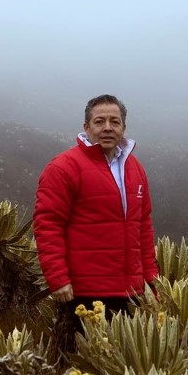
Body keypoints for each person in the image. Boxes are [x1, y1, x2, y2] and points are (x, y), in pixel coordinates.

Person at [34, 95, 158, 348]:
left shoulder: (135, 168)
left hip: (129, 292)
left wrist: (152, 281)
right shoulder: (63, 167)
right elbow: (48, 225)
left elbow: (142, 227)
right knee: (82, 370)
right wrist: (57, 278)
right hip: (84, 292)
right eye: (99, 121)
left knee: (122, 371)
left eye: (115, 121)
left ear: (124, 127)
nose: (107, 127)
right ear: (86, 127)